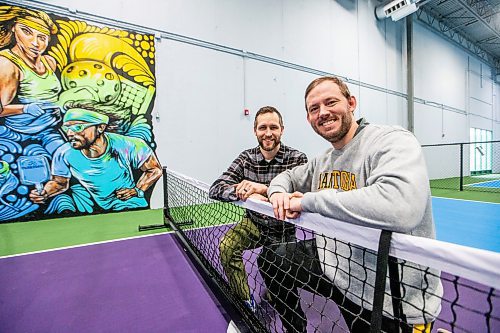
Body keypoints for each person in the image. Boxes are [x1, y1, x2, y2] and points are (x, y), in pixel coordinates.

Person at [259, 77, 443, 332]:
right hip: (336, 267)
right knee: (273, 258)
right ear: (309, 119)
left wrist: (309, 201)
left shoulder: (391, 140)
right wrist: (277, 192)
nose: (323, 112)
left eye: (330, 102)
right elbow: (289, 177)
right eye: (314, 109)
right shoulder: (322, 160)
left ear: (351, 103)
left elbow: (400, 207)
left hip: (390, 296)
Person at [209, 106, 307, 312]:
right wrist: (240, 191)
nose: (268, 133)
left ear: (282, 130)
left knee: (280, 286)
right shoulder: (246, 158)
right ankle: (245, 300)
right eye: (263, 127)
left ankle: (274, 290)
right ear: (255, 130)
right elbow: (216, 188)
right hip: (253, 223)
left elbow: (301, 192)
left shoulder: (297, 158)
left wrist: (263, 191)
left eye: (274, 127)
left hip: (283, 228)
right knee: (227, 247)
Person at [29, 106, 162, 211]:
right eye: (67, 128)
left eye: (78, 127)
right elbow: (59, 183)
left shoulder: (130, 145)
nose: (70, 133)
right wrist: (45, 192)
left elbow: (154, 169)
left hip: (130, 205)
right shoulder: (64, 154)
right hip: (102, 208)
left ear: (100, 127)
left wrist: (137, 190)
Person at [0, 6, 64, 154]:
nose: (35, 43)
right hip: (19, 134)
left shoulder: (49, 62)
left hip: (49, 131)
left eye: (42, 37)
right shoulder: (7, 63)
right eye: (27, 32)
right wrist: (25, 108)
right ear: (14, 29)